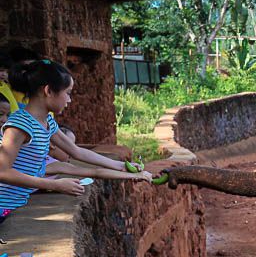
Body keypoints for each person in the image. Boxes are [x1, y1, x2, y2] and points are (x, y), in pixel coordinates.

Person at [0, 59, 149, 229]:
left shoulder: (46, 121)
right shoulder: (19, 125)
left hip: (14, 206)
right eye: (68, 92)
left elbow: (77, 152)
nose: (69, 100)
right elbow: (2, 171)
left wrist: (120, 166)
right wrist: (54, 184)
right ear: (48, 90)